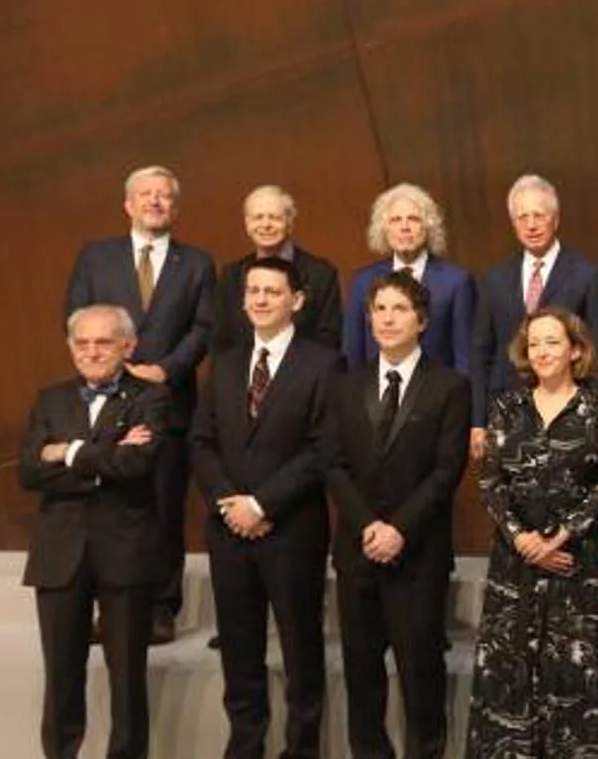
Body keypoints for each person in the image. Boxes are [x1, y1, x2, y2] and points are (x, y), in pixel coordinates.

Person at [189, 256, 338, 759]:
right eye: (253, 290)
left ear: (296, 300)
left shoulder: (324, 362)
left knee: (300, 648)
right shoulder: (225, 360)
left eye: (272, 292)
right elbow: (201, 442)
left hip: (290, 528)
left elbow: (323, 449)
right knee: (239, 648)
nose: (259, 299)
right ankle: (245, 746)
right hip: (229, 528)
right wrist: (231, 503)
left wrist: (262, 503)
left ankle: (301, 749)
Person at [63, 164, 215, 643]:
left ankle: (160, 609)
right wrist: (115, 366)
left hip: (169, 402)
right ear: (127, 204)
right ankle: (104, 608)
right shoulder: (96, 257)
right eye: (145, 195)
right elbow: (75, 315)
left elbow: (205, 328)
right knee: (105, 509)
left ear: (176, 207)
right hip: (106, 401)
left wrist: (166, 369)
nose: (155, 202)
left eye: (164, 196)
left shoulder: (196, 263)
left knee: (164, 508)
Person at [468, 308, 598, 757]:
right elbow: (490, 482)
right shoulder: (505, 407)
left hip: (577, 564)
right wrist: (523, 539)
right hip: (514, 564)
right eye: (534, 342)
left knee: (576, 681)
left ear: (575, 350)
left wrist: (557, 537)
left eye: (553, 341)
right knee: (511, 678)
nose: (542, 351)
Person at [324, 272, 470, 759]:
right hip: (357, 550)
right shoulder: (346, 385)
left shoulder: (450, 386)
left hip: (418, 554)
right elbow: (333, 463)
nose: (387, 319)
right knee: (362, 676)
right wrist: (369, 526)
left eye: (399, 309)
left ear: (422, 321)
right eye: (379, 309)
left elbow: (446, 472)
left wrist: (398, 529)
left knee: (420, 675)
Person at [21, 305, 166, 759]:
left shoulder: (151, 398)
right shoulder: (50, 399)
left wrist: (66, 452)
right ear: (69, 348)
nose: (91, 352)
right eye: (81, 343)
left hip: (124, 551)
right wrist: (104, 458)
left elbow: (137, 465)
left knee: (126, 679)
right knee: (61, 675)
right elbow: (29, 471)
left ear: (128, 346)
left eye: (103, 342)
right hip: (59, 553)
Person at [472, 173, 598, 459]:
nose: (531, 225)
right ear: (513, 224)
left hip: (568, 413)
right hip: (506, 412)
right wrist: (478, 421)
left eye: (539, 215)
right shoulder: (495, 279)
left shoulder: (587, 275)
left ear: (556, 219)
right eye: (522, 217)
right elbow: (480, 352)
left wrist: (597, 418)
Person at [343, 182, 476, 374]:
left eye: (413, 219)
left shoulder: (457, 282)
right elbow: (352, 353)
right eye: (395, 220)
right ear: (384, 229)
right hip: (375, 397)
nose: (404, 227)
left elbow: (465, 358)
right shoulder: (363, 281)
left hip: (437, 396)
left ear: (428, 227)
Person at [212, 185, 343, 355]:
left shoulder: (321, 274)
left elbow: (329, 339)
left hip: (303, 377)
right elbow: (220, 340)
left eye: (274, 217)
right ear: (247, 223)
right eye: (258, 217)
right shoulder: (231, 276)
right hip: (244, 378)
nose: (265, 225)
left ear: (290, 222)